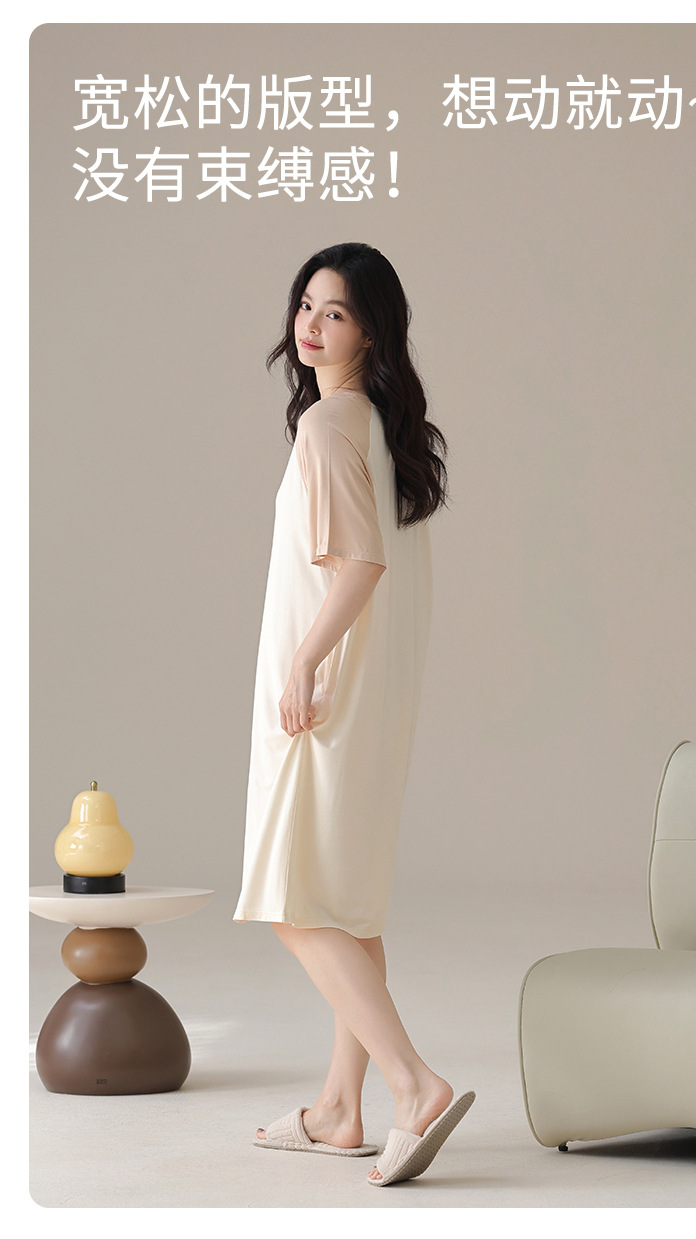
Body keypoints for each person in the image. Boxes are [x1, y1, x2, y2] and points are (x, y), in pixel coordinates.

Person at [233, 242, 474, 1187]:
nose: (311, 323)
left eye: (334, 311)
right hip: (372, 697)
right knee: (348, 902)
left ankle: (414, 1083)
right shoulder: (376, 423)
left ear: (371, 330)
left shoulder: (328, 425)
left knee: (295, 899)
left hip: (323, 700)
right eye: (305, 303)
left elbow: (360, 564)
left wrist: (303, 662)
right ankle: (340, 1107)